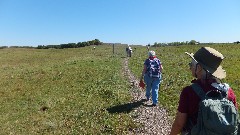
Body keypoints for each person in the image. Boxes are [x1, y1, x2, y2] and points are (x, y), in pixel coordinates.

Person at [170, 47, 238, 135]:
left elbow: (179, 124)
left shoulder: (189, 92)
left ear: (198, 68)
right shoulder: (229, 92)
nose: (190, 68)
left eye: (191, 65)